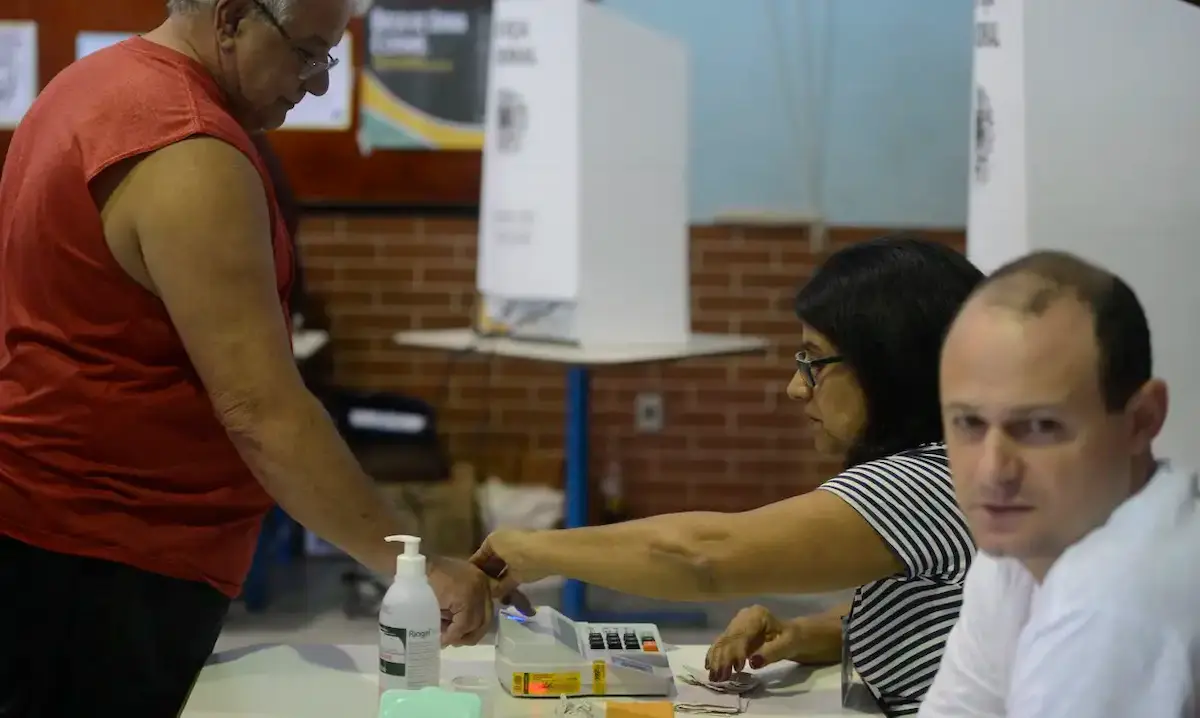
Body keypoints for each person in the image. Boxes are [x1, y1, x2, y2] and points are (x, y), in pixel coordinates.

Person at [0, 1, 500, 715]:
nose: (319, 84)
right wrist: (411, 565)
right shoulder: (187, 147)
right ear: (234, 18)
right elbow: (260, 409)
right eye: (307, 53)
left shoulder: (86, 87)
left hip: (59, 539)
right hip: (108, 558)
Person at [473, 235, 982, 716]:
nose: (796, 388)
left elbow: (702, 555)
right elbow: (935, 617)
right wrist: (805, 632)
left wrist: (528, 550)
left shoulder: (928, 481)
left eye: (814, 361)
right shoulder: (954, 468)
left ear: (888, 364)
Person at [920, 251, 1199, 717]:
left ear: (1142, 421)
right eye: (968, 422)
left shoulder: (1113, 599)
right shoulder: (1018, 554)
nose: (993, 471)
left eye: (1040, 427)